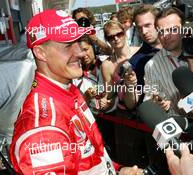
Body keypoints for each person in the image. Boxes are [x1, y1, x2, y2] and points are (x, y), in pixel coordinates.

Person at [9, 9, 142, 175]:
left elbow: (91, 157)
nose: (80, 52)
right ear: (41, 52)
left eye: (78, 42)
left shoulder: (69, 90)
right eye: (68, 46)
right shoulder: (43, 125)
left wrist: (119, 170)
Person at [143, 7, 193, 112]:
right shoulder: (152, 66)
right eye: (161, 32)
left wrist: (192, 60)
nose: (166, 36)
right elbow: (149, 100)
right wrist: (156, 103)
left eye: (173, 29)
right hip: (183, 125)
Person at [124, 4, 162, 109]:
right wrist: (129, 87)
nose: (144, 32)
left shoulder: (178, 47)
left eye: (148, 25)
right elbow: (130, 104)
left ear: (158, 23)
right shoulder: (136, 61)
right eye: (140, 28)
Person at [101, 20, 139, 111]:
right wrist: (104, 100)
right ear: (107, 40)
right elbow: (109, 91)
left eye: (119, 34)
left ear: (125, 33)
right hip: (125, 111)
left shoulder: (139, 52)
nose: (116, 38)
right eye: (111, 37)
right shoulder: (107, 65)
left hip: (147, 104)